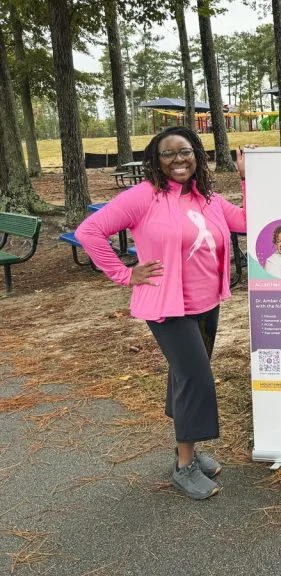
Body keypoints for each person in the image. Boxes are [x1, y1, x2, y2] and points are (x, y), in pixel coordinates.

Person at [75, 126, 249, 500]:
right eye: (167, 154)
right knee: (195, 379)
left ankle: (187, 449)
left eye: (184, 152)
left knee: (185, 376)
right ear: (155, 161)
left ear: (197, 156)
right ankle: (184, 465)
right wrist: (124, 273)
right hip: (167, 307)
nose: (177, 160)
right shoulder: (142, 197)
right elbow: (89, 231)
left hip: (207, 302)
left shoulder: (209, 199)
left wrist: (246, 179)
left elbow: (248, 223)